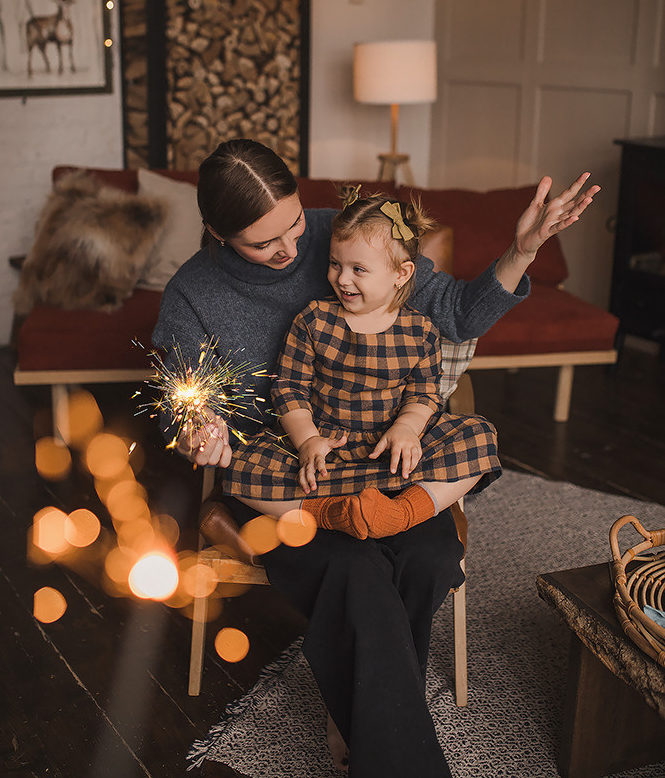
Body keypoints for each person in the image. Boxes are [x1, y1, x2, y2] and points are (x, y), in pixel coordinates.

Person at [152, 138, 599, 778]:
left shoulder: (354, 240)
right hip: (298, 480)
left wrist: (523, 248)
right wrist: (201, 428)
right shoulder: (191, 294)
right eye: (262, 242)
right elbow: (183, 401)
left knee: (431, 553)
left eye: (295, 223)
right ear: (218, 234)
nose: (291, 250)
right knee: (358, 571)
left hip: (389, 465)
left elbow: (459, 315)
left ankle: (359, 713)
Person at [221, 184, 501, 540]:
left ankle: (400, 513)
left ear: (401, 273)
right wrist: (307, 440)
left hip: (390, 455)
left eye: (359, 269)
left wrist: (407, 429)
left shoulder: (420, 331)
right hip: (326, 455)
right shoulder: (315, 320)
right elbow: (289, 388)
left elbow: (424, 394)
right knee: (240, 465)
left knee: (479, 436)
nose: (342, 278)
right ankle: (329, 514)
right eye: (335, 264)